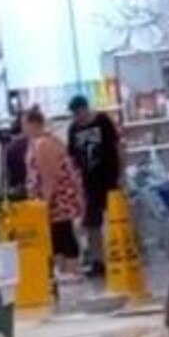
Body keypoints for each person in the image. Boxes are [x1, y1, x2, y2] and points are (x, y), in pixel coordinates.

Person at [23, 107, 85, 280]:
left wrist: (45, 202)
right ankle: (64, 270)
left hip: (58, 200)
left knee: (62, 233)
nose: (23, 129)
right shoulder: (43, 142)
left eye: (24, 124)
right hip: (56, 199)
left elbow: (49, 176)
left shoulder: (44, 144)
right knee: (57, 235)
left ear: (33, 124)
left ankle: (71, 270)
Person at [66, 95, 121, 277]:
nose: (78, 118)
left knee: (117, 218)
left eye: (79, 113)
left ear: (85, 108)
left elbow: (117, 146)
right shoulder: (73, 129)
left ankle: (120, 253)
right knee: (91, 224)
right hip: (89, 183)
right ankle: (98, 260)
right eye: (75, 115)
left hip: (109, 178)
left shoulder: (103, 121)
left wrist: (122, 174)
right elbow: (72, 157)